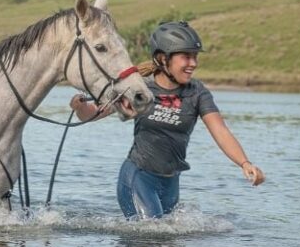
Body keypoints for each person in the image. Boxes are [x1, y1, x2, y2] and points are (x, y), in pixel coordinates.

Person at [70, 21, 265, 219]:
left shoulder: (197, 93)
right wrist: (80, 107)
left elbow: (221, 131)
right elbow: (92, 113)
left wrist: (244, 163)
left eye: (195, 57)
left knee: (167, 242)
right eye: (186, 57)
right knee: (152, 233)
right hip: (137, 177)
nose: (193, 63)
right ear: (163, 59)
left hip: (171, 183)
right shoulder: (139, 89)